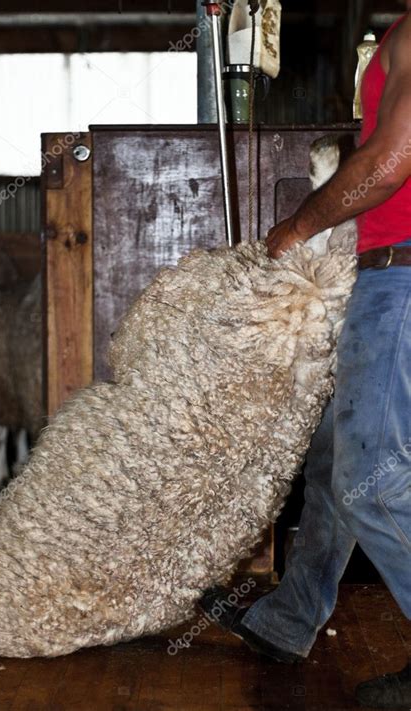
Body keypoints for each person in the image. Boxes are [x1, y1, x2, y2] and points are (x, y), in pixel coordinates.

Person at [200, 7, 411, 709]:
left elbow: (389, 161)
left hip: (404, 276)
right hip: (387, 271)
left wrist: (298, 224)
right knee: (339, 462)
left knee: (371, 479)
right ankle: (290, 620)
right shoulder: (398, 30)